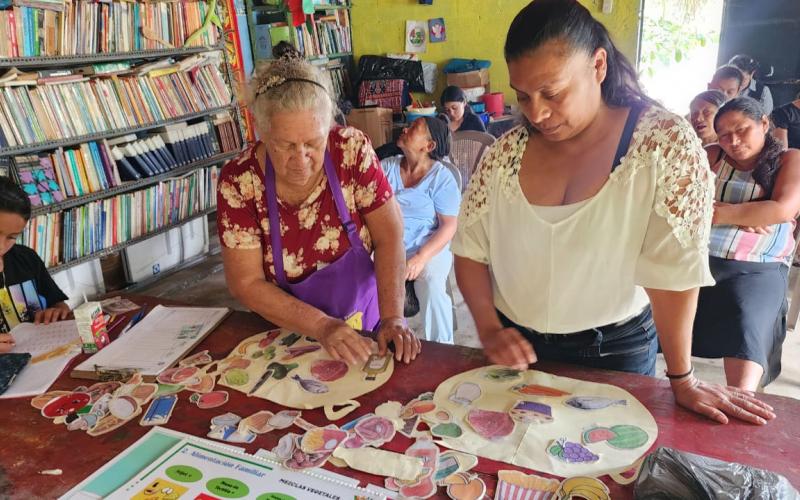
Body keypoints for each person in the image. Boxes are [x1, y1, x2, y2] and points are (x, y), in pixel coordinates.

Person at [452, 0, 774, 425]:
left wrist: (682, 377)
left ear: (598, 65)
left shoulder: (661, 143)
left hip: (613, 353)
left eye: (553, 92)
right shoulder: (506, 153)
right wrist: (490, 330)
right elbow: (470, 250)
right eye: (523, 96)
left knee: (601, 477)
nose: (536, 113)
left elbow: (673, 273)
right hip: (515, 350)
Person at [217, 54, 421, 365]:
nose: (301, 160)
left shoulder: (351, 151)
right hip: (287, 336)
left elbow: (390, 236)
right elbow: (245, 283)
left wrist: (393, 319)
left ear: (329, 126)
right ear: (261, 130)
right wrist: (321, 325)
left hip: (367, 324)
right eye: (285, 145)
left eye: (313, 143)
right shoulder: (240, 182)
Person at [693, 97, 800, 391]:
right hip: (698, 259)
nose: (733, 141)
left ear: (764, 124)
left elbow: (782, 210)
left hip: (757, 266)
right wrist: (750, 212)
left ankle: (743, 398)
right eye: (724, 134)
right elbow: (683, 201)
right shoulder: (712, 155)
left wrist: (721, 211)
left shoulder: (789, 160)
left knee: (748, 322)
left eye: (742, 130)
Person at [381, 116, 461, 344]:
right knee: (361, 278)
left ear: (429, 146)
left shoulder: (441, 179)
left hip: (427, 246)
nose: (405, 128)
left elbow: (449, 225)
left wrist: (420, 257)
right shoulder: (387, 167)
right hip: (388, 245)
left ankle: (443, 349)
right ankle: (379, 342)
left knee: (431, 284)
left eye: (414, 128)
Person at [0, 177, 70, 352]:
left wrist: (55, 312)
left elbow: (59, 305)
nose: (1, 246)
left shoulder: (26, 258)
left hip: (41, 359)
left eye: (11, 237)